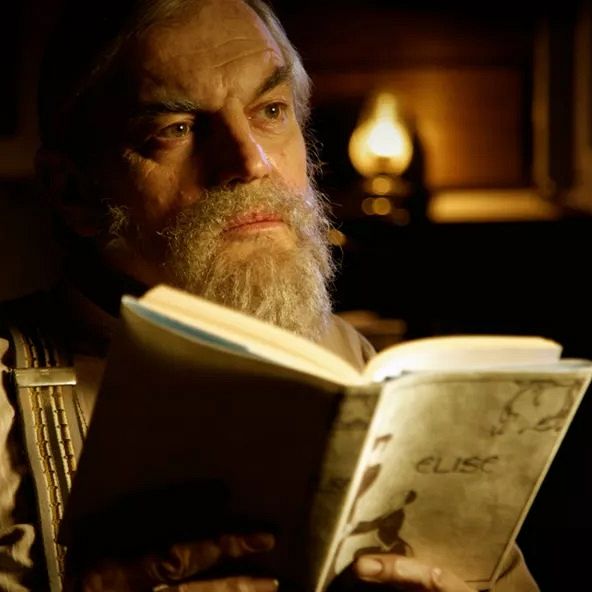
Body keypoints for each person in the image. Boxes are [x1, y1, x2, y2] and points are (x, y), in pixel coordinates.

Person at [0, 0, 540, 590]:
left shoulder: (360, 368)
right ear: (72, 191)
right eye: (176, 129)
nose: (250, 161)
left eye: (271, 111)